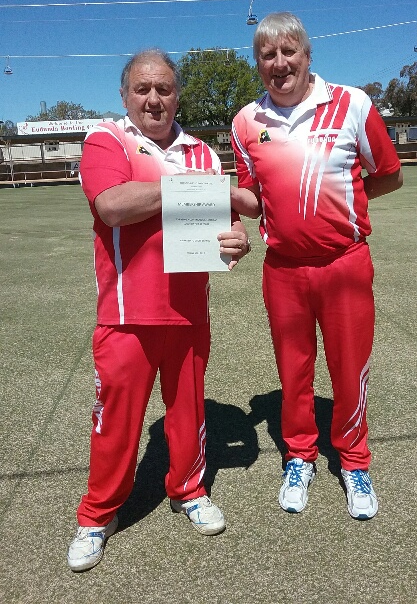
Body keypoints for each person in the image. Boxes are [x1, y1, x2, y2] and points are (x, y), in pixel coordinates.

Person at [67, 48, 251, 572]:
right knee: (115, 425)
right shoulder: (108, 138)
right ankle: (97, 515)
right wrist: (188, 192)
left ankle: (188, 490)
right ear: (125, 95)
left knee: (189, 412)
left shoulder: (203, 154)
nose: (154, 98)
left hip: (189, 311)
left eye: (165, 89)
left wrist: (234, 241)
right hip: (126, 314)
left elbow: (218, 229)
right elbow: (112, 204)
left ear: (177, 95)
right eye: (143, 89)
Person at [230, 12, 402, 520]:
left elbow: (388, 173)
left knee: (349, 371)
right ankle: (299, 455)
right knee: (294, 371)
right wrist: (203, 197)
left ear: (308, 56)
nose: (279, 64)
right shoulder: (246, 121)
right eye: (268, 55)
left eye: (288, 52)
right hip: (283, 270)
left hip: (344, 264)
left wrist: (346, 201)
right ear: (258, 63)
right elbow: (252, 197)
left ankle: (354, 460)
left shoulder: (352, 103)